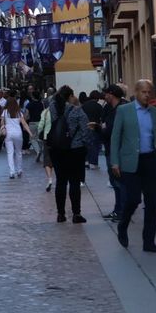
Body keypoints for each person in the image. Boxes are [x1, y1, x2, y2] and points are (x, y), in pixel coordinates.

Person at [109, 79, 156, 253]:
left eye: (149, 92)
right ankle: (123, 226)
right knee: (133, 199)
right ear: (136, 92)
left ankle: (149, 241)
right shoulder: (124, 111)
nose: (147, 95)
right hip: (131, 163)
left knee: (151, 203)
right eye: (144, 92)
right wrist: (115, 161)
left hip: (150, 161)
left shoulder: (155, 113)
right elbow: (115, 137)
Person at [45, 86, 91, 224]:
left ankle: (60, 214)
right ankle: (76, 214)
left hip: (57, 149)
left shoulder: (52, 108)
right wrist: (84, 144)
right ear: (70, 96)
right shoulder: (76, 110)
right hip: (74, 150)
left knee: (61, 181)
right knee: (74, 182)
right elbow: (85, 129)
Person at [100, 85, 126, 220]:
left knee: (118, 182)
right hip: (111, 148)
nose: (105, 97)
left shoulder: (120, 110)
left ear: (111, 94)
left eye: (106, 94)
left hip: (117, 150)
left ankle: (121, 210)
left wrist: (102, 128)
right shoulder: (109, 108)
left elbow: (111, 129)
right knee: (115, 182)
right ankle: (118, 209)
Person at [0, 97, 29, 178]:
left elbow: (2, 123)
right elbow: (24, 124)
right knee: (18, 152)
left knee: (10, 153)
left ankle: (11, 172)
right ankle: (19, 170)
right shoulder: (19, 112)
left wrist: (2, 128)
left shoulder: (5, 112)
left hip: (8, 134)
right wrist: (30, 133)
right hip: (18, 133)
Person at [84, 90, 106, 170]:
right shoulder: (99, 106)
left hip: (86, 127)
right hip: (95, 128)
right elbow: (102, 118)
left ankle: (86, 161)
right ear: (97, 98)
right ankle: (93, 163)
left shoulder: (84, 105)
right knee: (95, 146)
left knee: (87, 145)